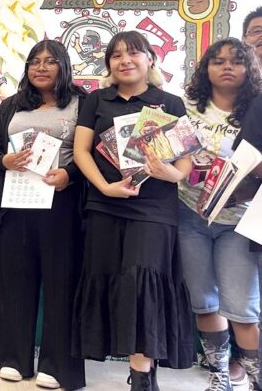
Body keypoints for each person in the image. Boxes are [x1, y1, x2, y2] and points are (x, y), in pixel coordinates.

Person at [71, 31, 194, 391]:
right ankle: (131, 362)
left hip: (154, 208)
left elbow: (184, 164)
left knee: (143, 282)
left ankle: (142, 374)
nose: (125, 60)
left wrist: (170, 173)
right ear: (108, 64)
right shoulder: (95, 101)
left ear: (150, 59)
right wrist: (104, 186)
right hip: (104, 204)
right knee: (110, 277)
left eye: (134, 53)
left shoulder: (169, 103)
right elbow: (81, 152)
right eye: (116, 55)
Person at [0, 40, 86, 390]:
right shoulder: (11, 105)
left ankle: (57, 364)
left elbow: (92, 154)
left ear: (64, 66)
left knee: (61, 282)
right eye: (34, 62)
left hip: (62, 202)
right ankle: (14, 357)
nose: (41, 68)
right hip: (16, 200)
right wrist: (4, 162)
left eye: (49, 62)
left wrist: (69, 175)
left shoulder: (82, 102)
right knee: (16, 279)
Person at [177, 38, 261, 391]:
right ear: (205, 68)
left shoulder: (257, 109)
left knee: (242, 308)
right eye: (217, 60)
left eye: (236, 61)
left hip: (237, 222)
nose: (226, 66)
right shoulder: (185, 106)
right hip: (188, 216)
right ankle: (220, 375)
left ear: (249, 69)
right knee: (204, 302)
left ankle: (256, 376)